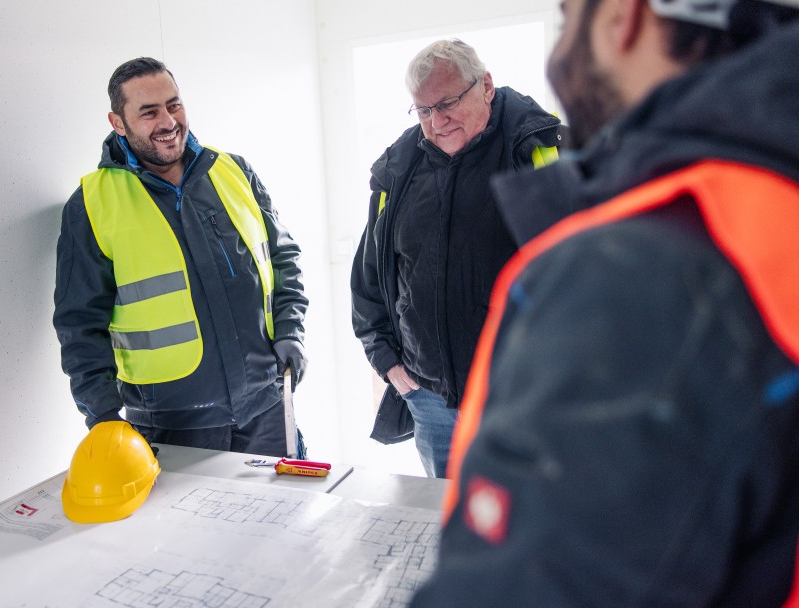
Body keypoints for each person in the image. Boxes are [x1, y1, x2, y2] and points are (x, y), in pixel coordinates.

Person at [413, 0, 799, 605]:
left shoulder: (643, 270)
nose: (560, 47)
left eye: (569, 19)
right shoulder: (771, 201)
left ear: (625, 17)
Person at [53, 57, 309, 457]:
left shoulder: (234, 171)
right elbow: (79, 323)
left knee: (283, 516)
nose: (168, 121)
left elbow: (282, 259)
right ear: (118, 122)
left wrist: (291, 329)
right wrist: (102, 416)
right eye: (149, 112)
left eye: (174, 105)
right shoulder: (92, 204)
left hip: (267, 408)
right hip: (171, 426)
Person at [350, 39, 565, 477]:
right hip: (430, 401)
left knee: (525, 529)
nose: (437, 121)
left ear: (485, 86)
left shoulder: (537, 149)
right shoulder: (399, 169)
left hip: (522, 399)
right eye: (424, 110)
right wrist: (386, 360)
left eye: (447, 103)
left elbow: (581, 274)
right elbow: (370, 276)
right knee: (444, 525)